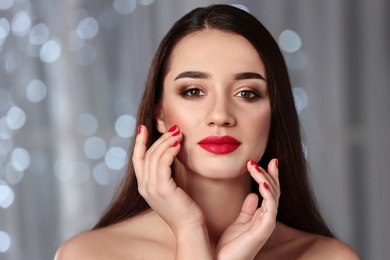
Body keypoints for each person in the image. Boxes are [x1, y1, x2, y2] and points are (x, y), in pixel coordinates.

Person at [55, 4, 358, 259]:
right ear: (159, 114)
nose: (220, 116)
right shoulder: (89, 254)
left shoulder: (328, 256)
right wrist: (189, 231)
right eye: (193, 91)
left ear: (275, 113)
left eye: (247, 93)